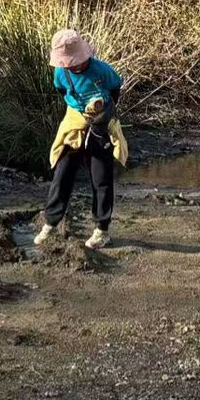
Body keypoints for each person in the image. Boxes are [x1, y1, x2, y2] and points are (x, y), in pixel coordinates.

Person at [35, 29, 127, 251]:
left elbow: (115, 89)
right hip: (74, 121)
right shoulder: (60, 73)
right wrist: (80, 112)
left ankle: (101, 231)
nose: (74, 66)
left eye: (76, 61)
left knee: (101, 178)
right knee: (62, 172)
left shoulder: (102, 70)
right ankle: (51, 223)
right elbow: (62, 91)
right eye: (69, 63)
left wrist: (104, 115)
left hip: (101, 124)